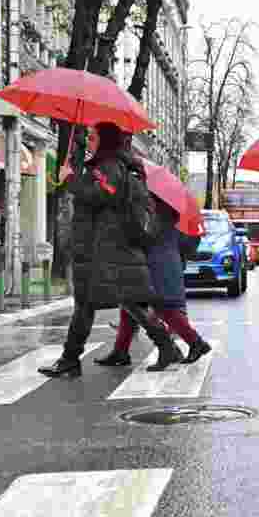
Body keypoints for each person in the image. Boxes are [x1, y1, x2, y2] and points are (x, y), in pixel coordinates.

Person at [39, 122, 180, 378]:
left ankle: (164, 344)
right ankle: (70, 359)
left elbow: (102, 195)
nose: (90, 141)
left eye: (94, 137)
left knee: (106, 302)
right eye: (89, 137)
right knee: (96, 303)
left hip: (107, 249)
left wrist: (69, 178)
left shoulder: (110, 166)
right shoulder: (108, 165)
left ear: (106, 141)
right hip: (102, 247)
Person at [99, 199, 212, 366]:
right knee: (130, 306)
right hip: (165, 265)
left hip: (158, 268)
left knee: (163, 308)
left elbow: (144, 240)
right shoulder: (174, 218)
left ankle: (195, 342)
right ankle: (120, 350)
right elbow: (187, 245)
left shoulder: (159, 216)